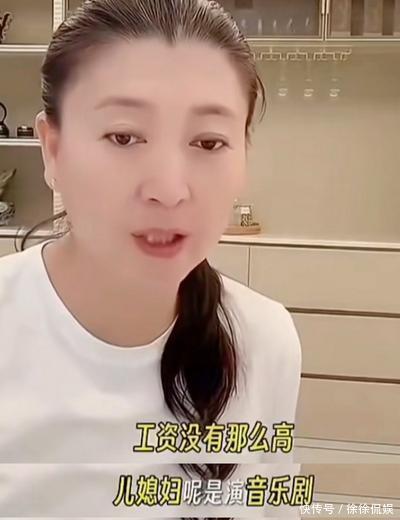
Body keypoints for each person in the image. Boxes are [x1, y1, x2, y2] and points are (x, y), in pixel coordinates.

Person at [0, 0, 303, 517]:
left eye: (208, 142)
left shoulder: (263, 338)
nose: (169, 189)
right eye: (124, 137)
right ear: (53, 150)